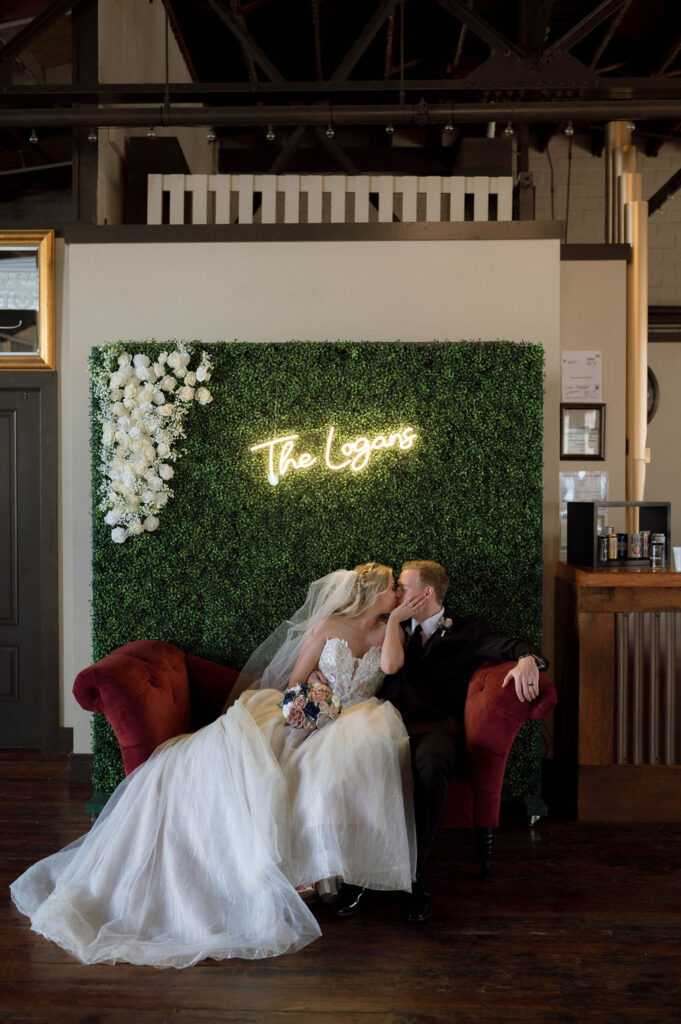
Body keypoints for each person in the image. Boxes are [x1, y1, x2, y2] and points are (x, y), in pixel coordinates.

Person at [10, 563, 420, 968]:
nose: (398, 595)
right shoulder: (328, 625)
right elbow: (293, 681)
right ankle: (282, 875)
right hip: (310, 716)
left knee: (329, 767)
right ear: (370, 592)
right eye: (393, 589)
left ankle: (320, 875)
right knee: (263, 766)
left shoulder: (391, 629)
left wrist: (396, 620)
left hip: (357, 720)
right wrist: (311, 697)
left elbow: (389, 667)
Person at [334, 558, 548, 924]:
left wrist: (529, 659)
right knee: (362, 757)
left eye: (403, 586)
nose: (397, 593)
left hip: (436, 730)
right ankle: (359, 880)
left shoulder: (468, 630)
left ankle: (414, 880)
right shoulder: (391, 626)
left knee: (432, 764)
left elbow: (509, 645)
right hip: (386, 722)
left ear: (427, 593)